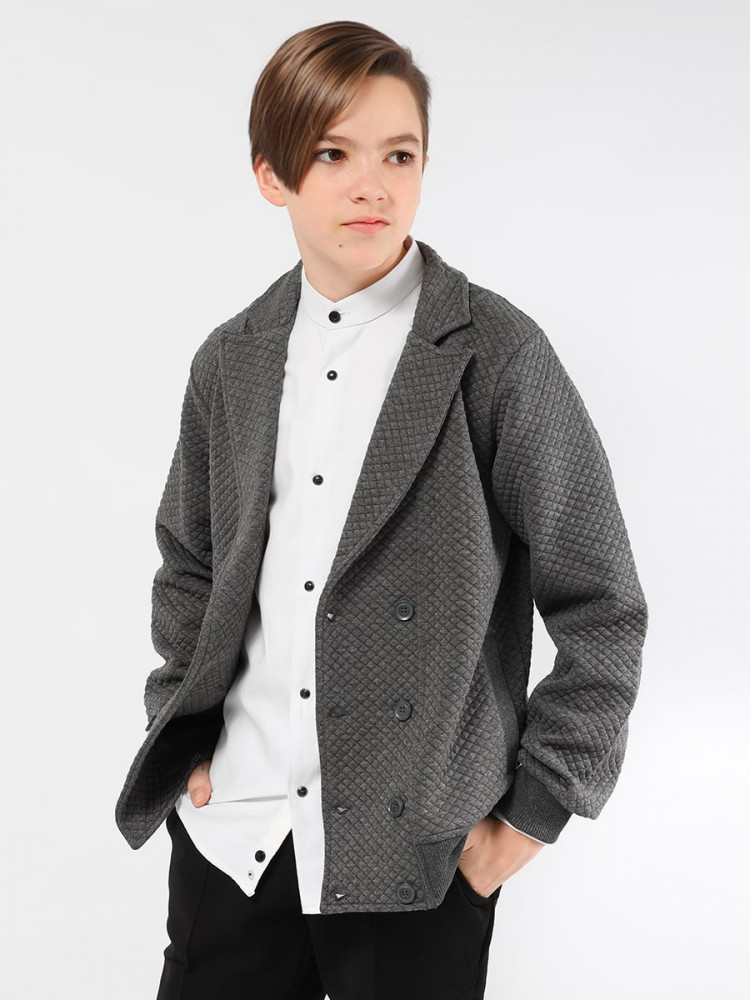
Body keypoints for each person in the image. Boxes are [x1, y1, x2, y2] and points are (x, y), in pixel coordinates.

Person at [115, 19, 649, 1000]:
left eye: (398, 155)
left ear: (425, 167)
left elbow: (602, 600)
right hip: (236, 835)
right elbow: (189, 563)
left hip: (419, 854)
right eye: (334, 153)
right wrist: (179, 729)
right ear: (272, 175)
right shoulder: (230, 360)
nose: (373, 184)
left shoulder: (495, 353)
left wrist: (536, 810)